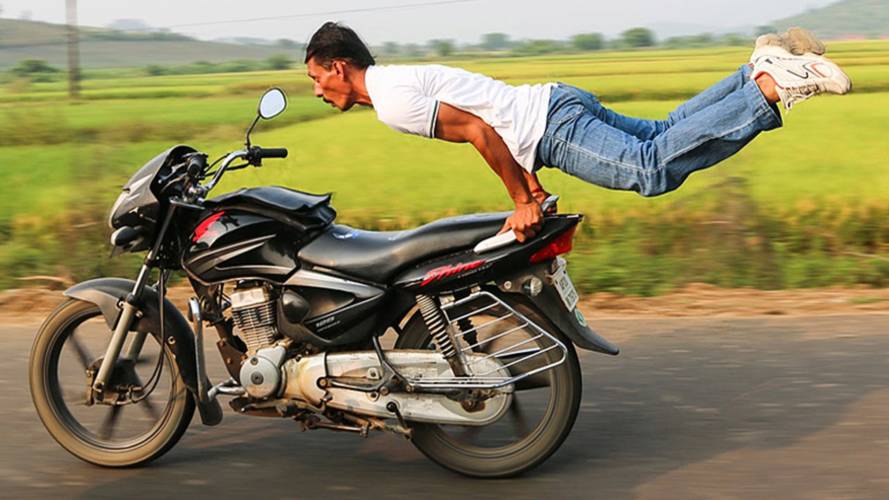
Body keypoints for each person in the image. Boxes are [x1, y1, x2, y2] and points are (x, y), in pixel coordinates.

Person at [303, 23, 851, 241]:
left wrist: (521, 199)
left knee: (650, 168)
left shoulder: (390, 102)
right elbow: (483, 118)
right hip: (553, 102)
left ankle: (773, 86)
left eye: (315, 78)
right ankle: (757, 66)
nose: (316, 91)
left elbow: (476, 129)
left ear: (338, 67)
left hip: (548, 127)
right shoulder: (396, 80)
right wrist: (534, 189)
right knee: (663, 132)